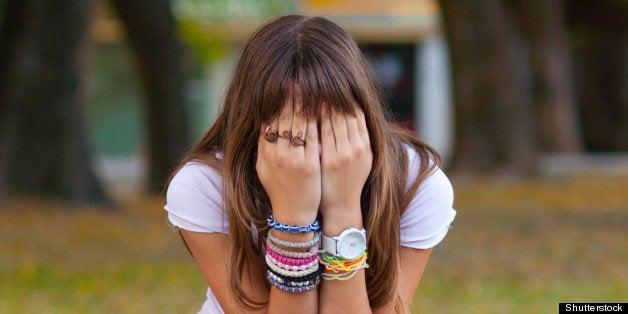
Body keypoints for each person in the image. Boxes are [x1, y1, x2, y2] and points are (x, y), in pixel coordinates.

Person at [164, 14, 456, 313]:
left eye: (329, 126)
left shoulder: (416, 183)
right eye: (287, 131)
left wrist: (343, 209)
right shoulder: (203, 186)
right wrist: (293, 216)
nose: (306, 147)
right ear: (252, 122)